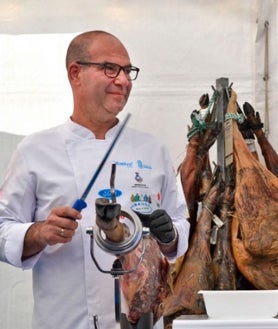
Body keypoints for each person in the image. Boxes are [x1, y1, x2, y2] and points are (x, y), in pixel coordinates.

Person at [0, 30, 190, 329]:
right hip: (64, 320)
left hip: (142, 322)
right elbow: (2, 229)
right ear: (76, 73)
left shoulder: (153, 150)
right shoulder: (35, 150)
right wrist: (40, 233)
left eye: (128, 71)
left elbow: (180, 228)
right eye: (110, 68)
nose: (124, 80)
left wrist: (171, 235)